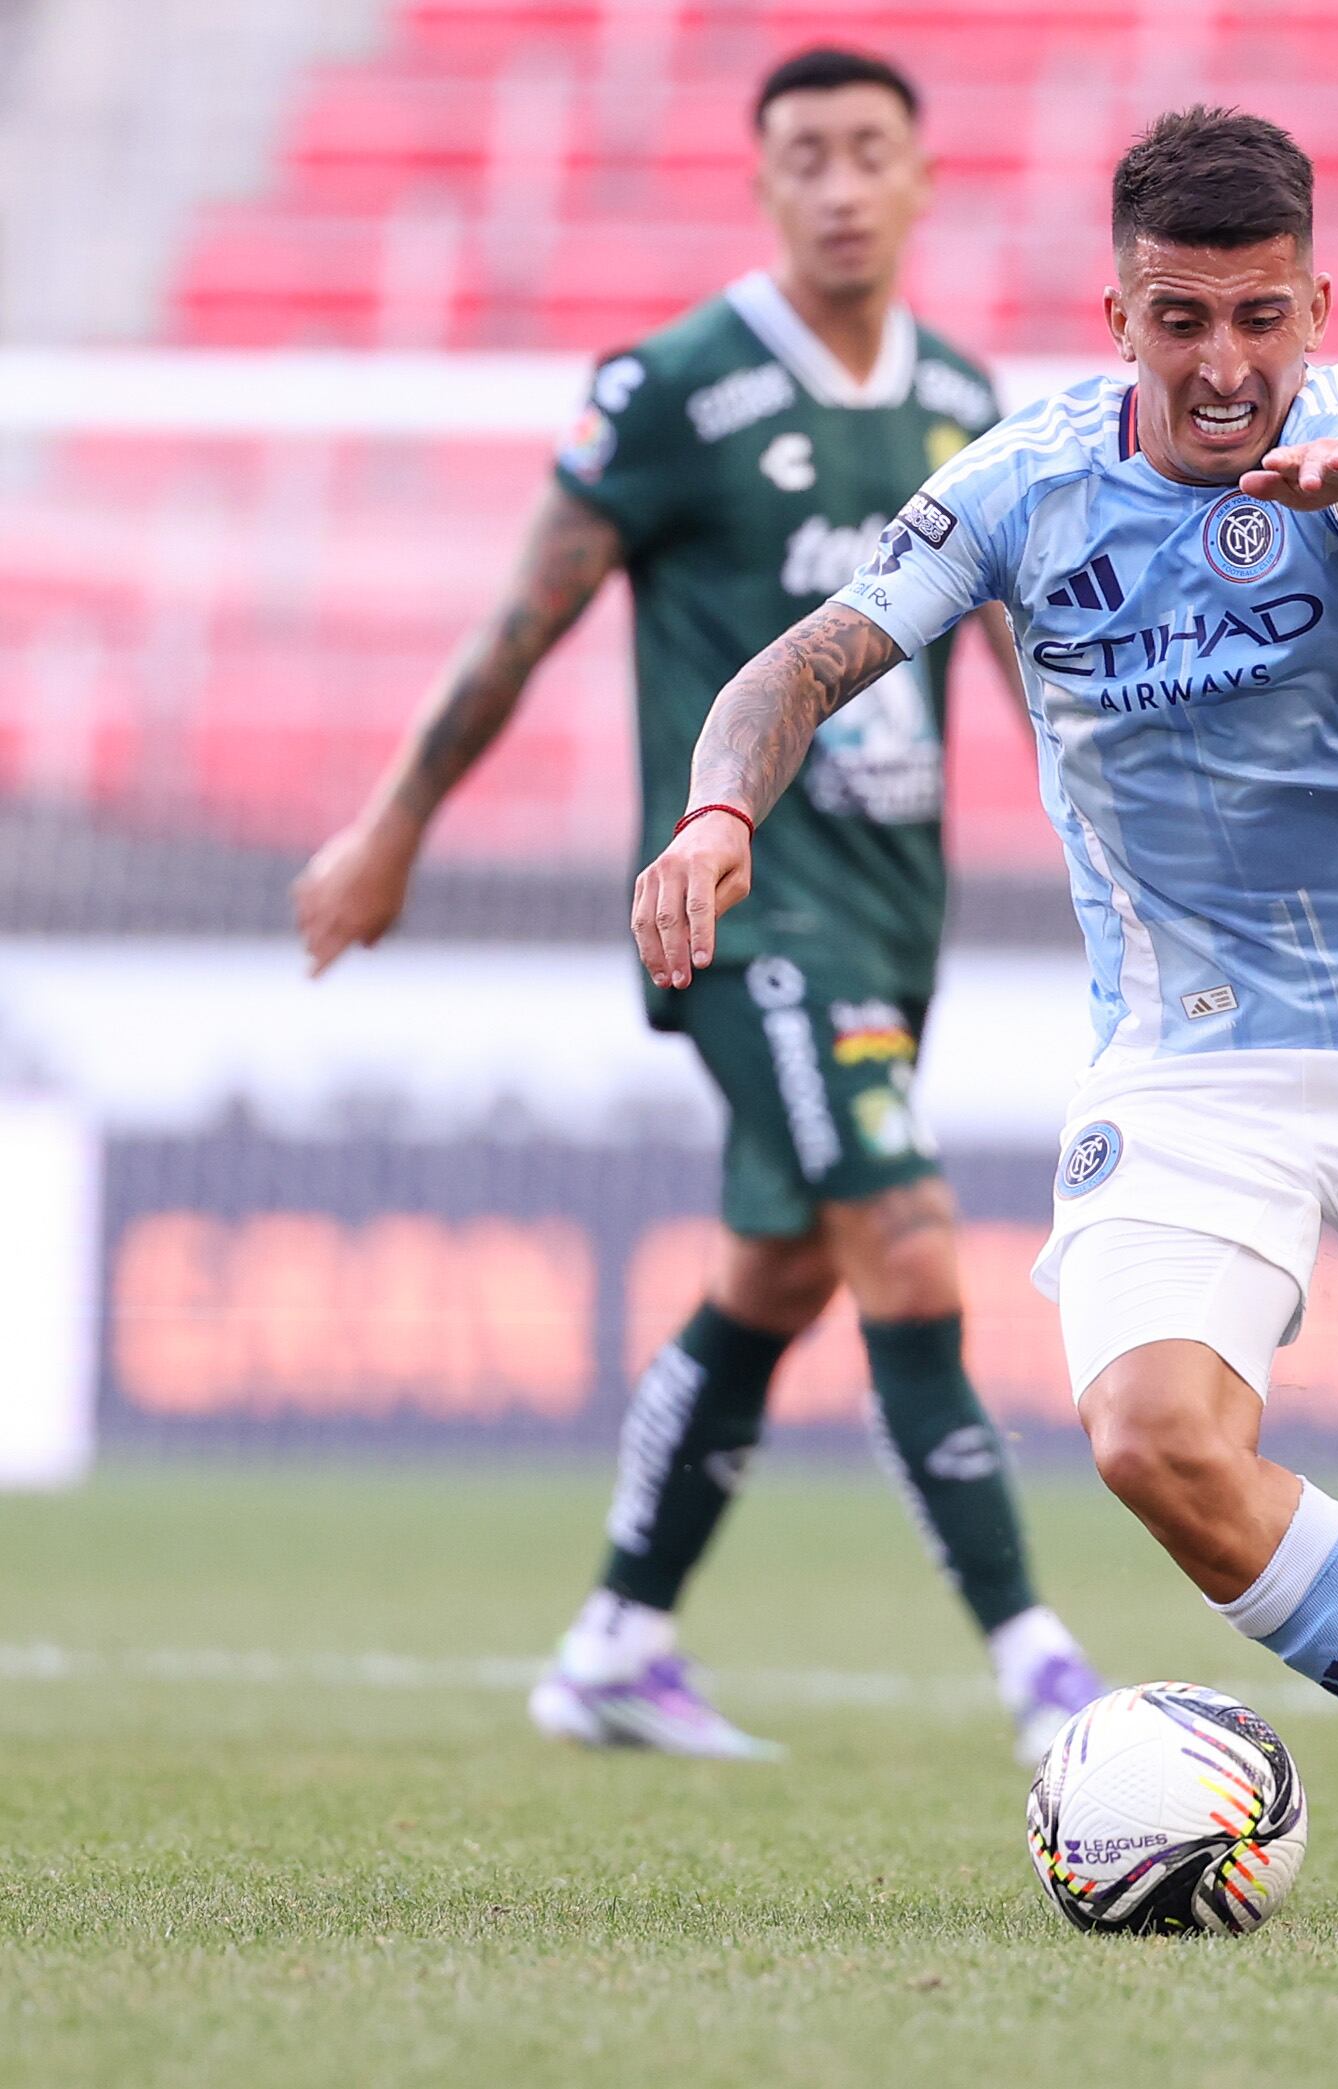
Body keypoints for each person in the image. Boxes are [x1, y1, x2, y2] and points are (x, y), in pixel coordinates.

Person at [629, 106, 1338, 1931]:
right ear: (1117, 313)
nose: (1223, 364)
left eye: (1261, 319)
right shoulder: (1017, 484)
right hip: (1188, 1061)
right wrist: (720, 807)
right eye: (1181, 319)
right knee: (1147, 1433)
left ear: (1313, 307)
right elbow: (803, 665)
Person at [292, 47, 1100, 1765]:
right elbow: (523, 623)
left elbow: (1041, 670)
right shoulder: (673, 386)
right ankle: (1040, 1668)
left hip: (896, 906)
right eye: (802, 154)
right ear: (763, 182)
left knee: (783, 1262)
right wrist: (391, 826)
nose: (837, 183)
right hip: (744, 908)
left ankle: (614, 1636)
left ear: (923, 177)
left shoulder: (968, 401)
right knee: (897, 1229)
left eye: (869, 150)